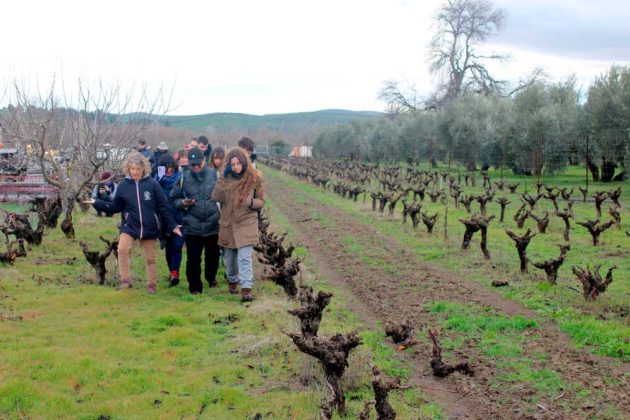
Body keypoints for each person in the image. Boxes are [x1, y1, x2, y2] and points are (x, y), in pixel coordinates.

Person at [84, 151, 181, 294]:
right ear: (128, 169)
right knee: (122, 249)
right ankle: (125, 281)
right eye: (132, 169)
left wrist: (173, 225)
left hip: (149, 226)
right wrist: (97, 202)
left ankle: (152, 285)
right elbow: (114, 207)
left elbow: (164, 207)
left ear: (144, 169)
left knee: (150, 258)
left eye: (138, 169)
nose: (135, 172)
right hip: (130, 226)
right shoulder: (123, 186)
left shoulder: (152, 184)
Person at [212, 147, 265, 302]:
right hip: (228, 223)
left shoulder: (254, 178)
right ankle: (232, 280)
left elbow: (261, 201)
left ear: (244, 162)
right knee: (231, 258)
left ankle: (246, 289)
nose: (235, 166)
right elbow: (215, 196)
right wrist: (222, 176)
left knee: (244, 257)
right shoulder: (225, 179)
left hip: (246, 222)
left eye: (238, 163)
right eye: (232, 164)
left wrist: (251, 203)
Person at [170, 147, 221, 295]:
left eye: (199, 164)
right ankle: (195, 287)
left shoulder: (215, 175)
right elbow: (173, 200)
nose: (196, 167)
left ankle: (210, 277)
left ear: (204, 161)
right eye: (193, 165)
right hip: (192, 225)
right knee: (193, 259)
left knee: (212, 257)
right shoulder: (183, 178)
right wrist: (183, 204)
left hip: (213, 224)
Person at [155, 153, 185, 287]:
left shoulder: (181, 179)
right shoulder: (156, 182)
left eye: (170, 167)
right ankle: (171, 271)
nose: (168, 170)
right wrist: (159, 179)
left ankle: (175, 272)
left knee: (177, 246)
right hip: (164, 221)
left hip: (179, 218)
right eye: (165, 168)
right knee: (168, 247)